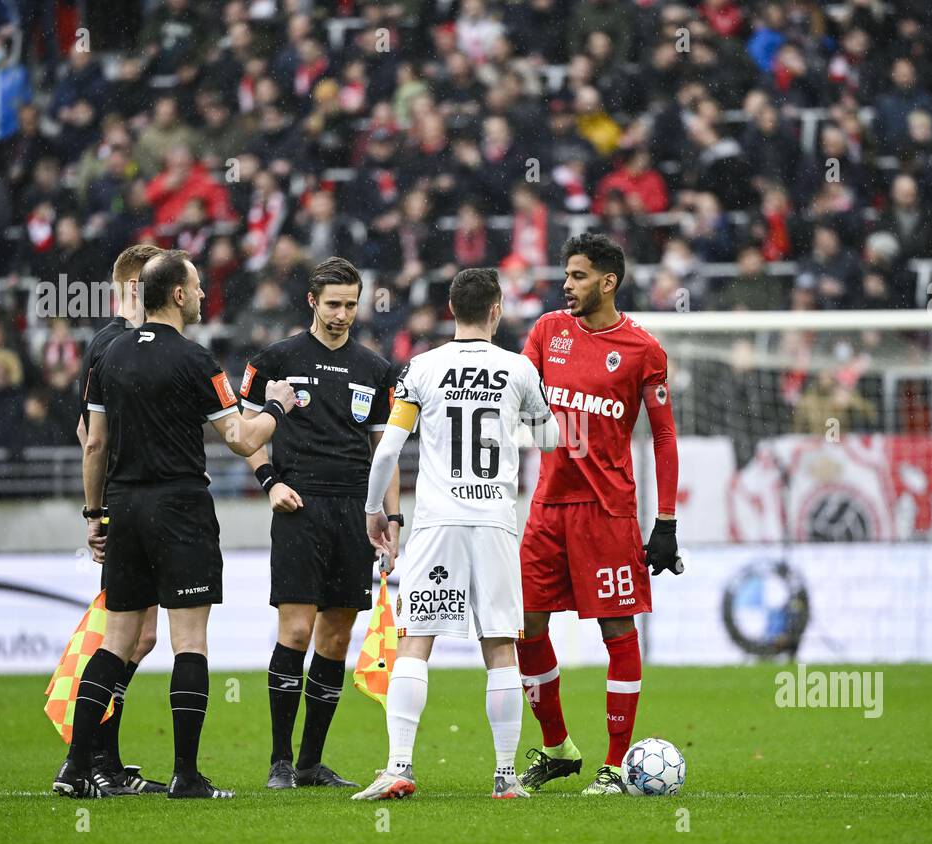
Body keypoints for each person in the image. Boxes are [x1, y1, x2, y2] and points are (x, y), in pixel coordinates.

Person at [54, 250, 296, 800]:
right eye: (198, 286)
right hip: (180, 507)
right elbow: (240, 439)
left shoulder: (108, 355)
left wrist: (95, 514)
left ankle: (75, 767)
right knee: (189, 642)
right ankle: (187, 775)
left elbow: (93, 441)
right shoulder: (196, 360)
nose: (206, 295)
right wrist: (277, 407)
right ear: (178, 295)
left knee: (114, 644)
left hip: (124, 507)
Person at [354, 267, 559, 800]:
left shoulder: (422, 368)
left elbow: (386, 452)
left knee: (415, 641)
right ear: (496, 311)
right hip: (493, 520)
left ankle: (399, 764)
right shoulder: (519, 369)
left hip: (437, 521)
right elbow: (554, 439)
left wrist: (375, 509)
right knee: (500, 648)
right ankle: (506, 777)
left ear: (451, 310)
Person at [516, 233, 682, 796]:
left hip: (607, 511)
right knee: (525, 625)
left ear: (608, 282)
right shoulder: (546, 333)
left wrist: (666, 522)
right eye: (566, 274)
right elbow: (512, 396)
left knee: (618, 630)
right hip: (546, 507)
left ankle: (615, 766)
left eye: (579, 276)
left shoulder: (642, 350)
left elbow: (663, 436)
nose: (567, 285)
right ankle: (559, 746)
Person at [236, 257, 400, 790]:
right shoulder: (276, 359)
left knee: (335, 638)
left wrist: (390, 515)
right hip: (299, 507)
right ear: (312, 300)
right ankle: (279, 761)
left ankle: (310, 763)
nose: (342, 314)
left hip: (354, 510)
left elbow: (386, 451)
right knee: (297, 631)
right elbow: (244, 432)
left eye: (351, 304)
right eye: (333, 304)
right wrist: (269, 482)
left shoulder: (375, 368)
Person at [62, 243, 166, 795]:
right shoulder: (119, 342)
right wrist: (97, 513)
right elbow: (91, 438)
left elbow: (84, 429)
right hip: (134, 504)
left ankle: (99, 759)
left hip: (126, 503)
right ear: (134, 287)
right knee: (124, 637)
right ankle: (92, 761)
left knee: (137, 637)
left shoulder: (107, 343)